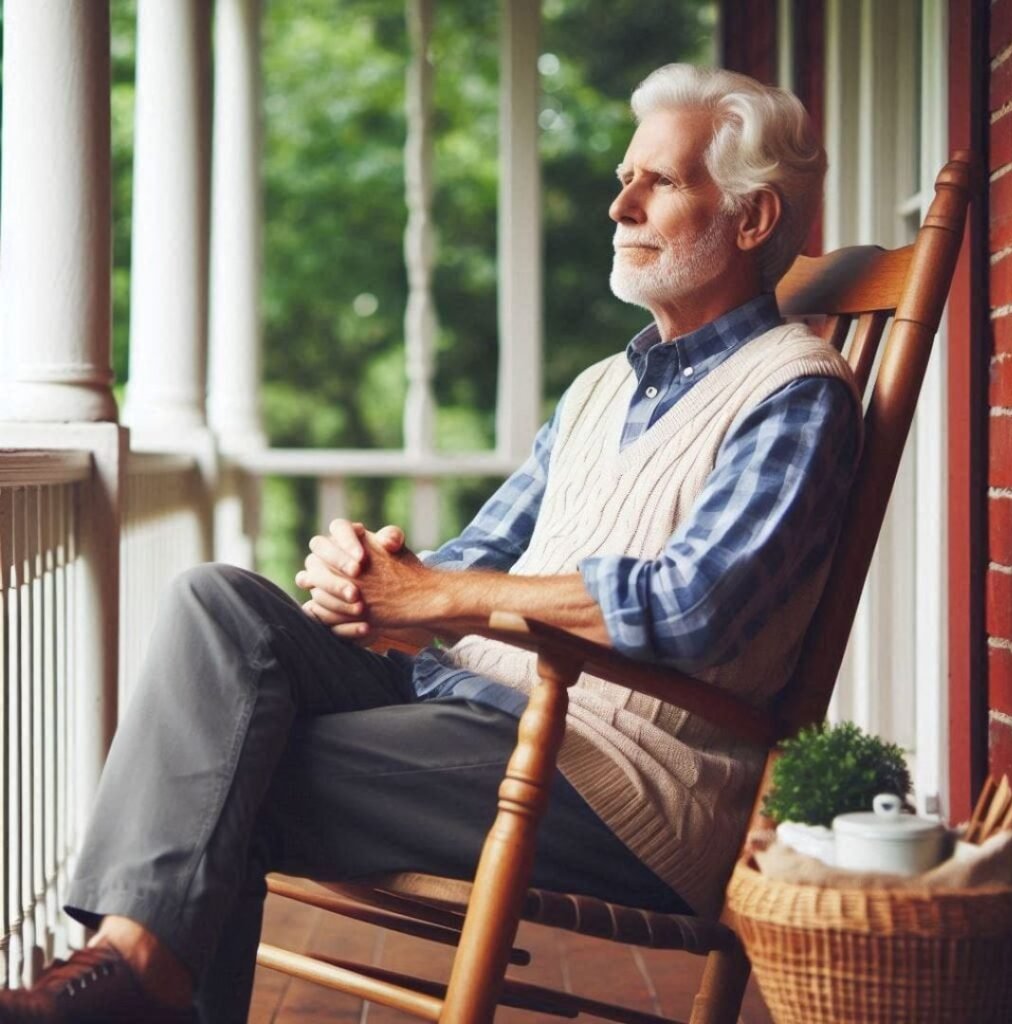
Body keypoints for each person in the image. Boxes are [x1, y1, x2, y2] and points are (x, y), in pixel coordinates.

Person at [0, 63, 860, 1023]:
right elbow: (471, 557)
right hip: (475, 705)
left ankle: (129, 972)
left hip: (617, 782)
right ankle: (136, 970)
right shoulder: (597, 391)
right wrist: (375, 580)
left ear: (750, 220)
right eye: (625, 176)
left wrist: (439, 601)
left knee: (216, 778)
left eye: (658, 181)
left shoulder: (796, 391)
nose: (618, 202)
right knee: (214, 602)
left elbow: (695, 608)